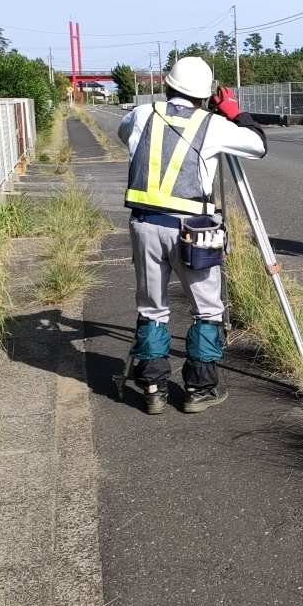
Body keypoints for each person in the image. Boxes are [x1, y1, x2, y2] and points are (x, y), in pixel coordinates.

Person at [117, 56, 267, 414]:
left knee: (151, 309)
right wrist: (234, 112)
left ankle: (153, 387)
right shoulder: (213, 124)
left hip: (145, 225)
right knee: (207, 309)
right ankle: (199, 388)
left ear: (167, 85)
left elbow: (126, 135)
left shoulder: (141, 114)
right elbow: (258, 145)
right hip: (192, 231)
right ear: (205, 95)